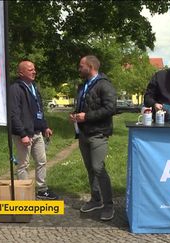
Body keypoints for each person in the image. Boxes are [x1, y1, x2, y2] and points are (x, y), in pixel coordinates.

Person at [69, 55, 117, 221]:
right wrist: (76, 115)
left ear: (90, 66)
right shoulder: (83, 85)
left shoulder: (105, 84)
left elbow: (111, 108)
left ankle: (109, 205)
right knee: (90, 169)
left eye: (81, 66)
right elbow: (84, 105)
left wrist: (86, 117)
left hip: (98, 133)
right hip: (83, 133)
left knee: (98, 168)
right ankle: (96, 200)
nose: (79, 68)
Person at [9, 60, 59, 200]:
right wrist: (22, 134)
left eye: (34, 69)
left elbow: (38, 110)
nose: (34, 71)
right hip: (24, 134)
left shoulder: (33, 87)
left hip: (37, 133)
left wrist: (45, 126)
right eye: (30, 69)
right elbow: (14, 114)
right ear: (21, 73)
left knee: (42, 161)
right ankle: (24, 193)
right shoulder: (15, 89)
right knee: (23, 164)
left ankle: (42, 190)